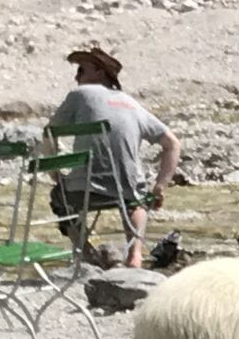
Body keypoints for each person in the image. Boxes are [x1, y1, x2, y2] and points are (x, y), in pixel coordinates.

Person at [44, 46, 181, 269]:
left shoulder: (81, 94)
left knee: (58, 196)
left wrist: (54, 173)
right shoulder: (130, 102)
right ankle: (135, 256)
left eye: (81, 71)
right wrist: (159, 187)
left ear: (99, 72)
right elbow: (173, 143)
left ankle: (86, 252)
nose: (76, 77)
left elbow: (49, 133)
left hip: (83, 192)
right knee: (137, 200)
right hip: (126, 192)